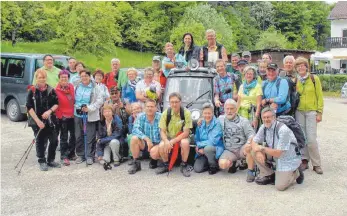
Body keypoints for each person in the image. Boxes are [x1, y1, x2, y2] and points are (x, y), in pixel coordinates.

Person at [250, 107, 304, 191]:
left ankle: (296, 171)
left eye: (269, 117)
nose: (266, 119)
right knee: (253, 151)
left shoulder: (283, 130)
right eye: (264, 117)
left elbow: (279, 153)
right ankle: (269, 174)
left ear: (274, 117)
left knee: (280, 186)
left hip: (287, 158)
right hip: (274, 154)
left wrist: (261, 148)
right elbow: (253, 141)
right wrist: (258, 152)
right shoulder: (263, 127)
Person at [26, 69, 60, 171]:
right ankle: (42, 161)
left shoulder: (51, 90)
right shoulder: (32, 91)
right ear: (36, 78)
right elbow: (29, 107)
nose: (42, 79)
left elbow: (56, 104)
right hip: (37, 120)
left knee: (54, 140)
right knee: (40, 141)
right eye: (39, 77)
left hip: (50, 120)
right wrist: (38, 121)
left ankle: (51, 160)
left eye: (43, 77)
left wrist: (49, 111)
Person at [295, 57, 324, 174]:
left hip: (311, 111)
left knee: (311, 139)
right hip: (299, 111)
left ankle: (316, 164)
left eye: (303, 65)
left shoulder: (314, 78)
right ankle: (304, 160)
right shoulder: (296, 80)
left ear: (307, 67)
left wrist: (320, 112)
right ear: (296, 69)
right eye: (298, 66)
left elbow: (320, 96)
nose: (301, 67)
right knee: (302, 137)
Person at [157, 92, 193, 177]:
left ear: (180, 102)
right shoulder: (166, 113)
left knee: (185, 143)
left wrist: (173, 141)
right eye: (172, 102)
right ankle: (166, 165)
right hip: (169, 137)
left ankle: (183, 165)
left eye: (176, 102)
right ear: (169, 103)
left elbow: (186, 132)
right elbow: (162, 131)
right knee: (162, 145)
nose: (174, 104)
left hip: (182, 137)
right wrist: (166, 141)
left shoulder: (186, 113)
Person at [218, 99, 255, 180]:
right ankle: (235, 163)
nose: (229, 111)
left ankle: (251, 171)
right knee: (223, 164)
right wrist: (201, 120)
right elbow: (211, 121)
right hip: (229, 150)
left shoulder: (244, 121)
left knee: (250, 148)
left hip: (242, 148)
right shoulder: (220, 119)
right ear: (224, 110)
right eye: (227, 109)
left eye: (232, 109)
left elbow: (251, 134)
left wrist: (248, 143)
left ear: (236, 109)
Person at [74, 70, 103, 165]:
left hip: (90, 114)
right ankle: (80, 155)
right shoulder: (77, 86)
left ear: (90, 76)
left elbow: (99, 101)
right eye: (82, 76)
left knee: (90, 135)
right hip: (78, 114)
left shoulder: (96, 87)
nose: (84, 78)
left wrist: (89, 108)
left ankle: (90, 156)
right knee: (79, 135)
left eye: (86, 75)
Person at [128, 99, 162, 174]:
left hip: (157, 144)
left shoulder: (161, 117)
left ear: (156, 108)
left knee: (154, 152)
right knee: (134, 138)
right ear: (145, 108)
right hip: (145, 143)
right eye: (148, 106)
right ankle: (136, 164)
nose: (150, 108)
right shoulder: (140, 116)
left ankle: (154, 159)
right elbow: (135, 129)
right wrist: (147, 139)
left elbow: (164, 133)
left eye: (152, 106)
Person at [194, 103, 224, 175]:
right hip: (202, 150)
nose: (207, 115)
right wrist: (197, 146)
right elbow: (197, 139)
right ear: (202, 113)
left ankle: (214, 165)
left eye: (209, 113)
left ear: (213, 113)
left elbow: (213, 141)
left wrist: (200, 146)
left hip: (215, 148)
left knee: (208, 148)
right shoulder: (200, 124)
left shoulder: (217, 123)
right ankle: (207, 163)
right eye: (205, 113)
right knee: (197, 169)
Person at [55, 70, 76, 166]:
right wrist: (60, 115)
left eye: (66, 77)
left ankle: (71, 153)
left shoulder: (71, 87)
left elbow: (74, 100)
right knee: (64, 137)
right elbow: (55, 104)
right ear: (59, 78)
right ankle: (64, 156)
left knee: (73, 136)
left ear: (68, 78)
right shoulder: (56, 90)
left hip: (72, 115)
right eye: (62, 77)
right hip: (62, 116)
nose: (64, 79)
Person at [96, 104, 122, 169]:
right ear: (103, 114)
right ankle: (108, 159)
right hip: (106, 143)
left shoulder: (117, 120)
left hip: (117, 141)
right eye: (105, 112)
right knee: (105, 160)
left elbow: (117, 135)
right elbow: (99, 139)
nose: (107, 113)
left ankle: (117, 159)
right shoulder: (101, 122)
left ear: (112, 112)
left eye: (109, 111)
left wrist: (102, 140)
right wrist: (99, 154)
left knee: (113, 142)